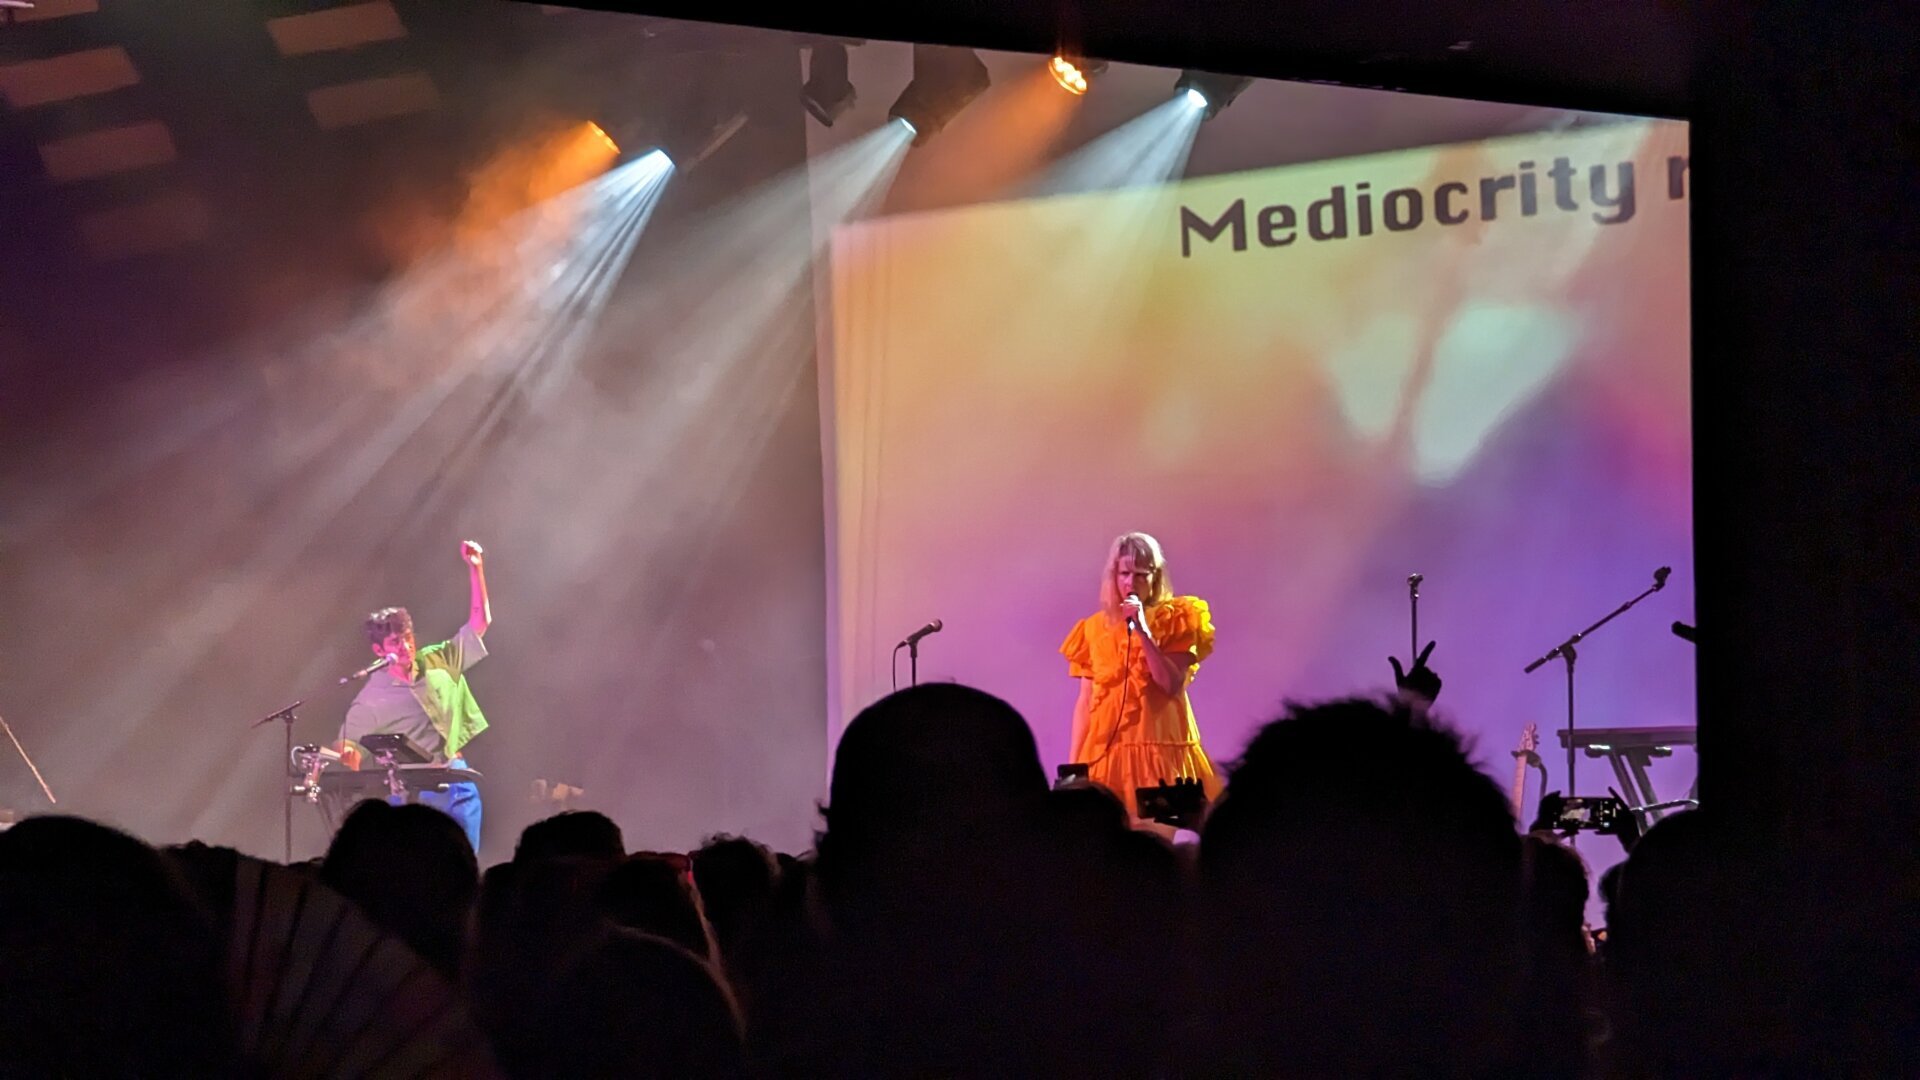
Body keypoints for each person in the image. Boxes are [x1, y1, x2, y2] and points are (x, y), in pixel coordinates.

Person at [339, 540, 492, 851]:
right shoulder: (372, 696)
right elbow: (348, 744)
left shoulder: (439, 659)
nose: (406, 647)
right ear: (380, 650)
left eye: (408, 638)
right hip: (411, 793)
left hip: (455, 781)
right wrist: (344, 755)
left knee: (463, 865)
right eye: (396, 642)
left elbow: (480, 622)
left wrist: (476, 569)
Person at [1060, 532, 1220, 827]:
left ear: (1155, 577)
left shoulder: (1178, 619)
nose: (1130, 583)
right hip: (1107, 758)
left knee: (1160, 846)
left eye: (1140, 574)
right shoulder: (1093, 629)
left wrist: (1144, 632)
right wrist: (1073, 771)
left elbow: (1170, 684)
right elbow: (1085, 703)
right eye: (1124, 573)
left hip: (1161, 758)